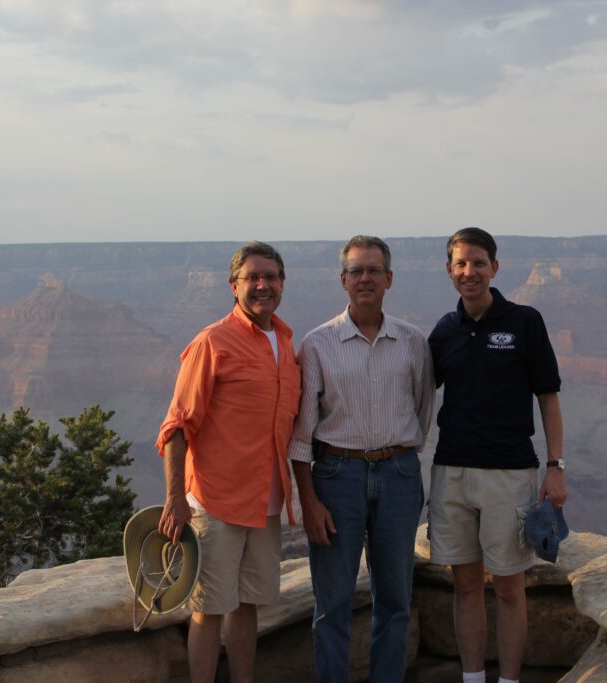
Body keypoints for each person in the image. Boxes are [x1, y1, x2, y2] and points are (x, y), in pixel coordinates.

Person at [290, 235, 435, 683]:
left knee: (394, 601)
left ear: (389, 278)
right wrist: (309, 500)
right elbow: (300, 435)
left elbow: (423, 410)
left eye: (374, 270)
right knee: (331, 603)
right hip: (337, 477)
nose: (365, 278)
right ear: (343, 280)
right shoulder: (317, 345)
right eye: (356, 271)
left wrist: (399, 457)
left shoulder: (413, 342)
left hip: (398, 475)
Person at [155, 241, 301, 683]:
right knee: (208, 609)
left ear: (282, 283)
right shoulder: (212, 341)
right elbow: (177, 425)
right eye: (253, 278)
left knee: (247, 605)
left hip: (267, 501)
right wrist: (175, 498)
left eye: (271, 277)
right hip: (216, 501)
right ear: (233, 285)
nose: (263, 285)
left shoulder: (288, 342)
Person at [428, 227, 567, 683]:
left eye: (478, 263)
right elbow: (415, 394)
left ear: (495, 267)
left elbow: (548, 397)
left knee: (509, 586)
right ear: (450, 270)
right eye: (461, 264)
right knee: (465, 584)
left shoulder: (524, 321)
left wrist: (555, 467)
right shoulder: (444, 331)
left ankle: (508, 680)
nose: (470, 272)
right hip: (452, 471)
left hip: (509, 473)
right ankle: (472, 678)